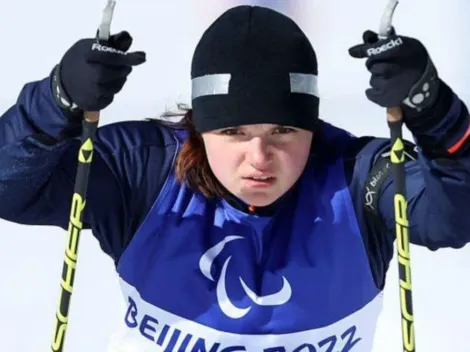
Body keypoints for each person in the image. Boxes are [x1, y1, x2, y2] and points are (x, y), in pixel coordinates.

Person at [1, 5, 469, 351]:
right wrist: (55, 100)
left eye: (284, 131)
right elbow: (11, 187)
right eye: (233, 132)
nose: (259, 156)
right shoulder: (144, 170)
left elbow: (451, 217)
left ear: (314, 127)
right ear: (199, 128)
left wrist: (436, 113)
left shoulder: (356, 176)